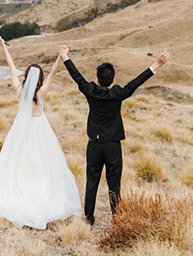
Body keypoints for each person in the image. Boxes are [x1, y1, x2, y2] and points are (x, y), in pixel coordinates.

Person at [0, 38, 82, 229]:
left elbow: (11, 66)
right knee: (42, 162)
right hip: (40, 129)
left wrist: (3, 46)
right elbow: (53, 73)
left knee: (17, 160)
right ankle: (37, 186)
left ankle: (21, 185)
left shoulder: (19, 90)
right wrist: (61, 57)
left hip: (21, 129)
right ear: (39, 78)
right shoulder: (41, 93)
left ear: (26, 76)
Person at [59, 45, 169, 225]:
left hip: (94, 144)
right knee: (114, 184)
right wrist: (156, 64)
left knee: (92, 181)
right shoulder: (118, 93)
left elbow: (76, 75)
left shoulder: (90, 91)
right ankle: (116, 217)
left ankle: (89, 217)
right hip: (113, 146)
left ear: (97, 78)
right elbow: (136, 82)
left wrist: (65, 57)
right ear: (112, 80)